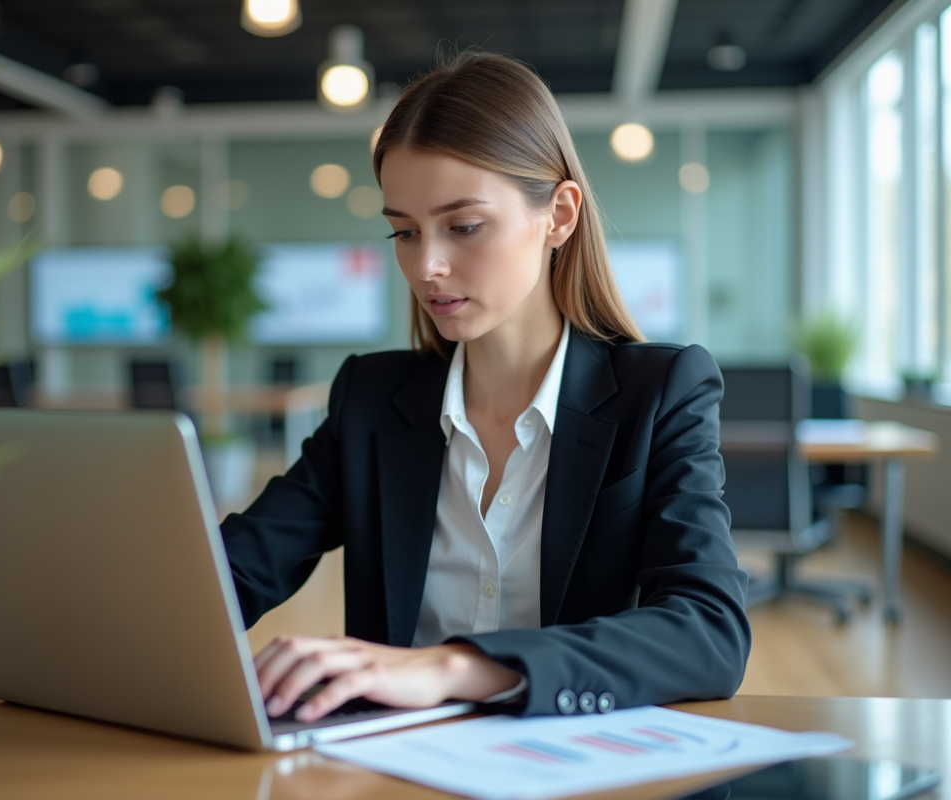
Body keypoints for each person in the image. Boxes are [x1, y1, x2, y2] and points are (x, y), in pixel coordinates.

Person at [220, 51, 750, 724]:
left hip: (573, 758)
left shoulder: (661, 392)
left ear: (559, 215)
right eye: (404, 232)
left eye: (464, 227)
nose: (427, 265)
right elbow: (230, 576)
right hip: (393, 765)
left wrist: (454, 667)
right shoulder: (370, 400)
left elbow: (710, 632)